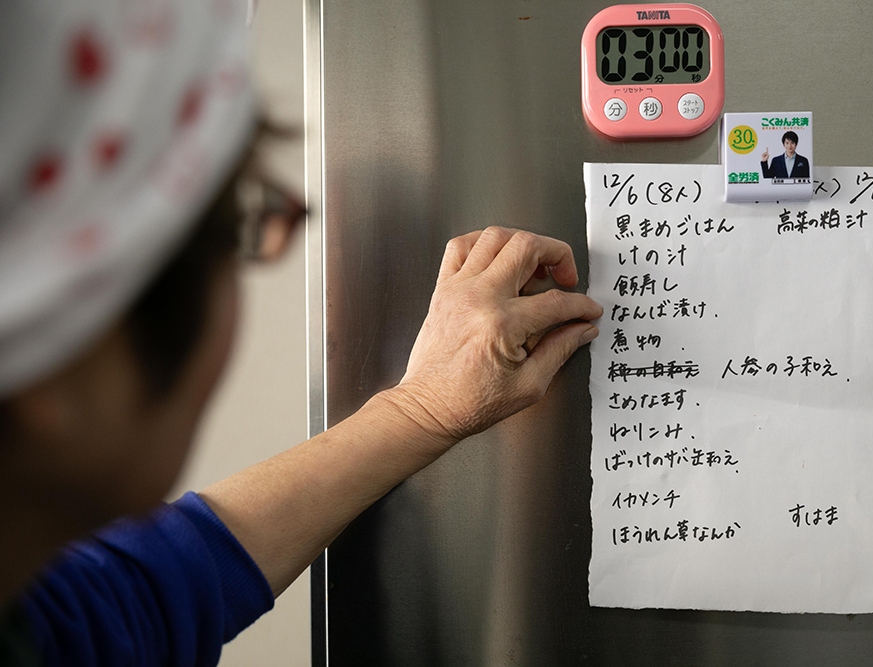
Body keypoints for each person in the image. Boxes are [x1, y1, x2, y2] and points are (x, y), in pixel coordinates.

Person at [0, 2, 602, 664]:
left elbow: (150, 590)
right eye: (237, 229)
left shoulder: (41, 619)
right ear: (56, 361)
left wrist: (423, 409)